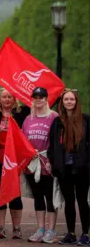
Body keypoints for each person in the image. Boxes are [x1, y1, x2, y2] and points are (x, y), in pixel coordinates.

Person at [48, 89, 90, 245]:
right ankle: (71, 233)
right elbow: (52, 145)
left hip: (82, 168)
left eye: (72, 99)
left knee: (82, 201)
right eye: (66, 99)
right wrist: (54, 163)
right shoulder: (57, 122)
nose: (69, 102)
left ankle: (85, 233)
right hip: (63, 168)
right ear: (62, 102)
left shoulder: (85, 120)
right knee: (69, 201)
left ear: (76, 101)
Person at [22, 87, 59, 243]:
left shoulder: (54, 117)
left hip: (47, 161)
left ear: (46, 99)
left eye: (41, 97)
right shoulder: (28, 119)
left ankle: (51, 230)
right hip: (32, 162)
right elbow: (23, 140)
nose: (38, 99)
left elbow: (57, 141)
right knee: (38, 197)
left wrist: (52, 160)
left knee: (50, 197)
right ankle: (41, 229)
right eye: (35, 97)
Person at [0, 88, 30, 239]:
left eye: (10, 97)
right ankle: (0, 228)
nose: (7, 100)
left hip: (14, 160)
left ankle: (16, 228)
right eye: (4, 97)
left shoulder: (22, 114)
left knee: (15, 194)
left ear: (14, 99)